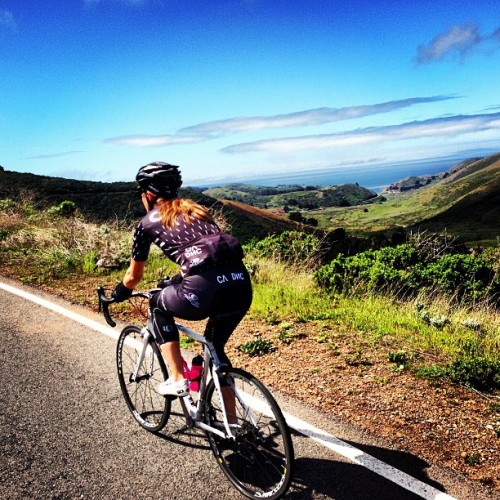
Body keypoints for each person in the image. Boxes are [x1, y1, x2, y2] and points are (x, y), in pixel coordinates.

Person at [112, 161, 253, 397]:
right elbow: (210, 258)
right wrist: (177, 279)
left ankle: (177, 378)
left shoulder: (145, 224)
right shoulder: (197, 210)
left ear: (148, 193)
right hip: (240, 286)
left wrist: (120, 292)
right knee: (215, 348)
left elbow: (133, 277)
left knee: (157, 303)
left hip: (201, 291)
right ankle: (235, 427)